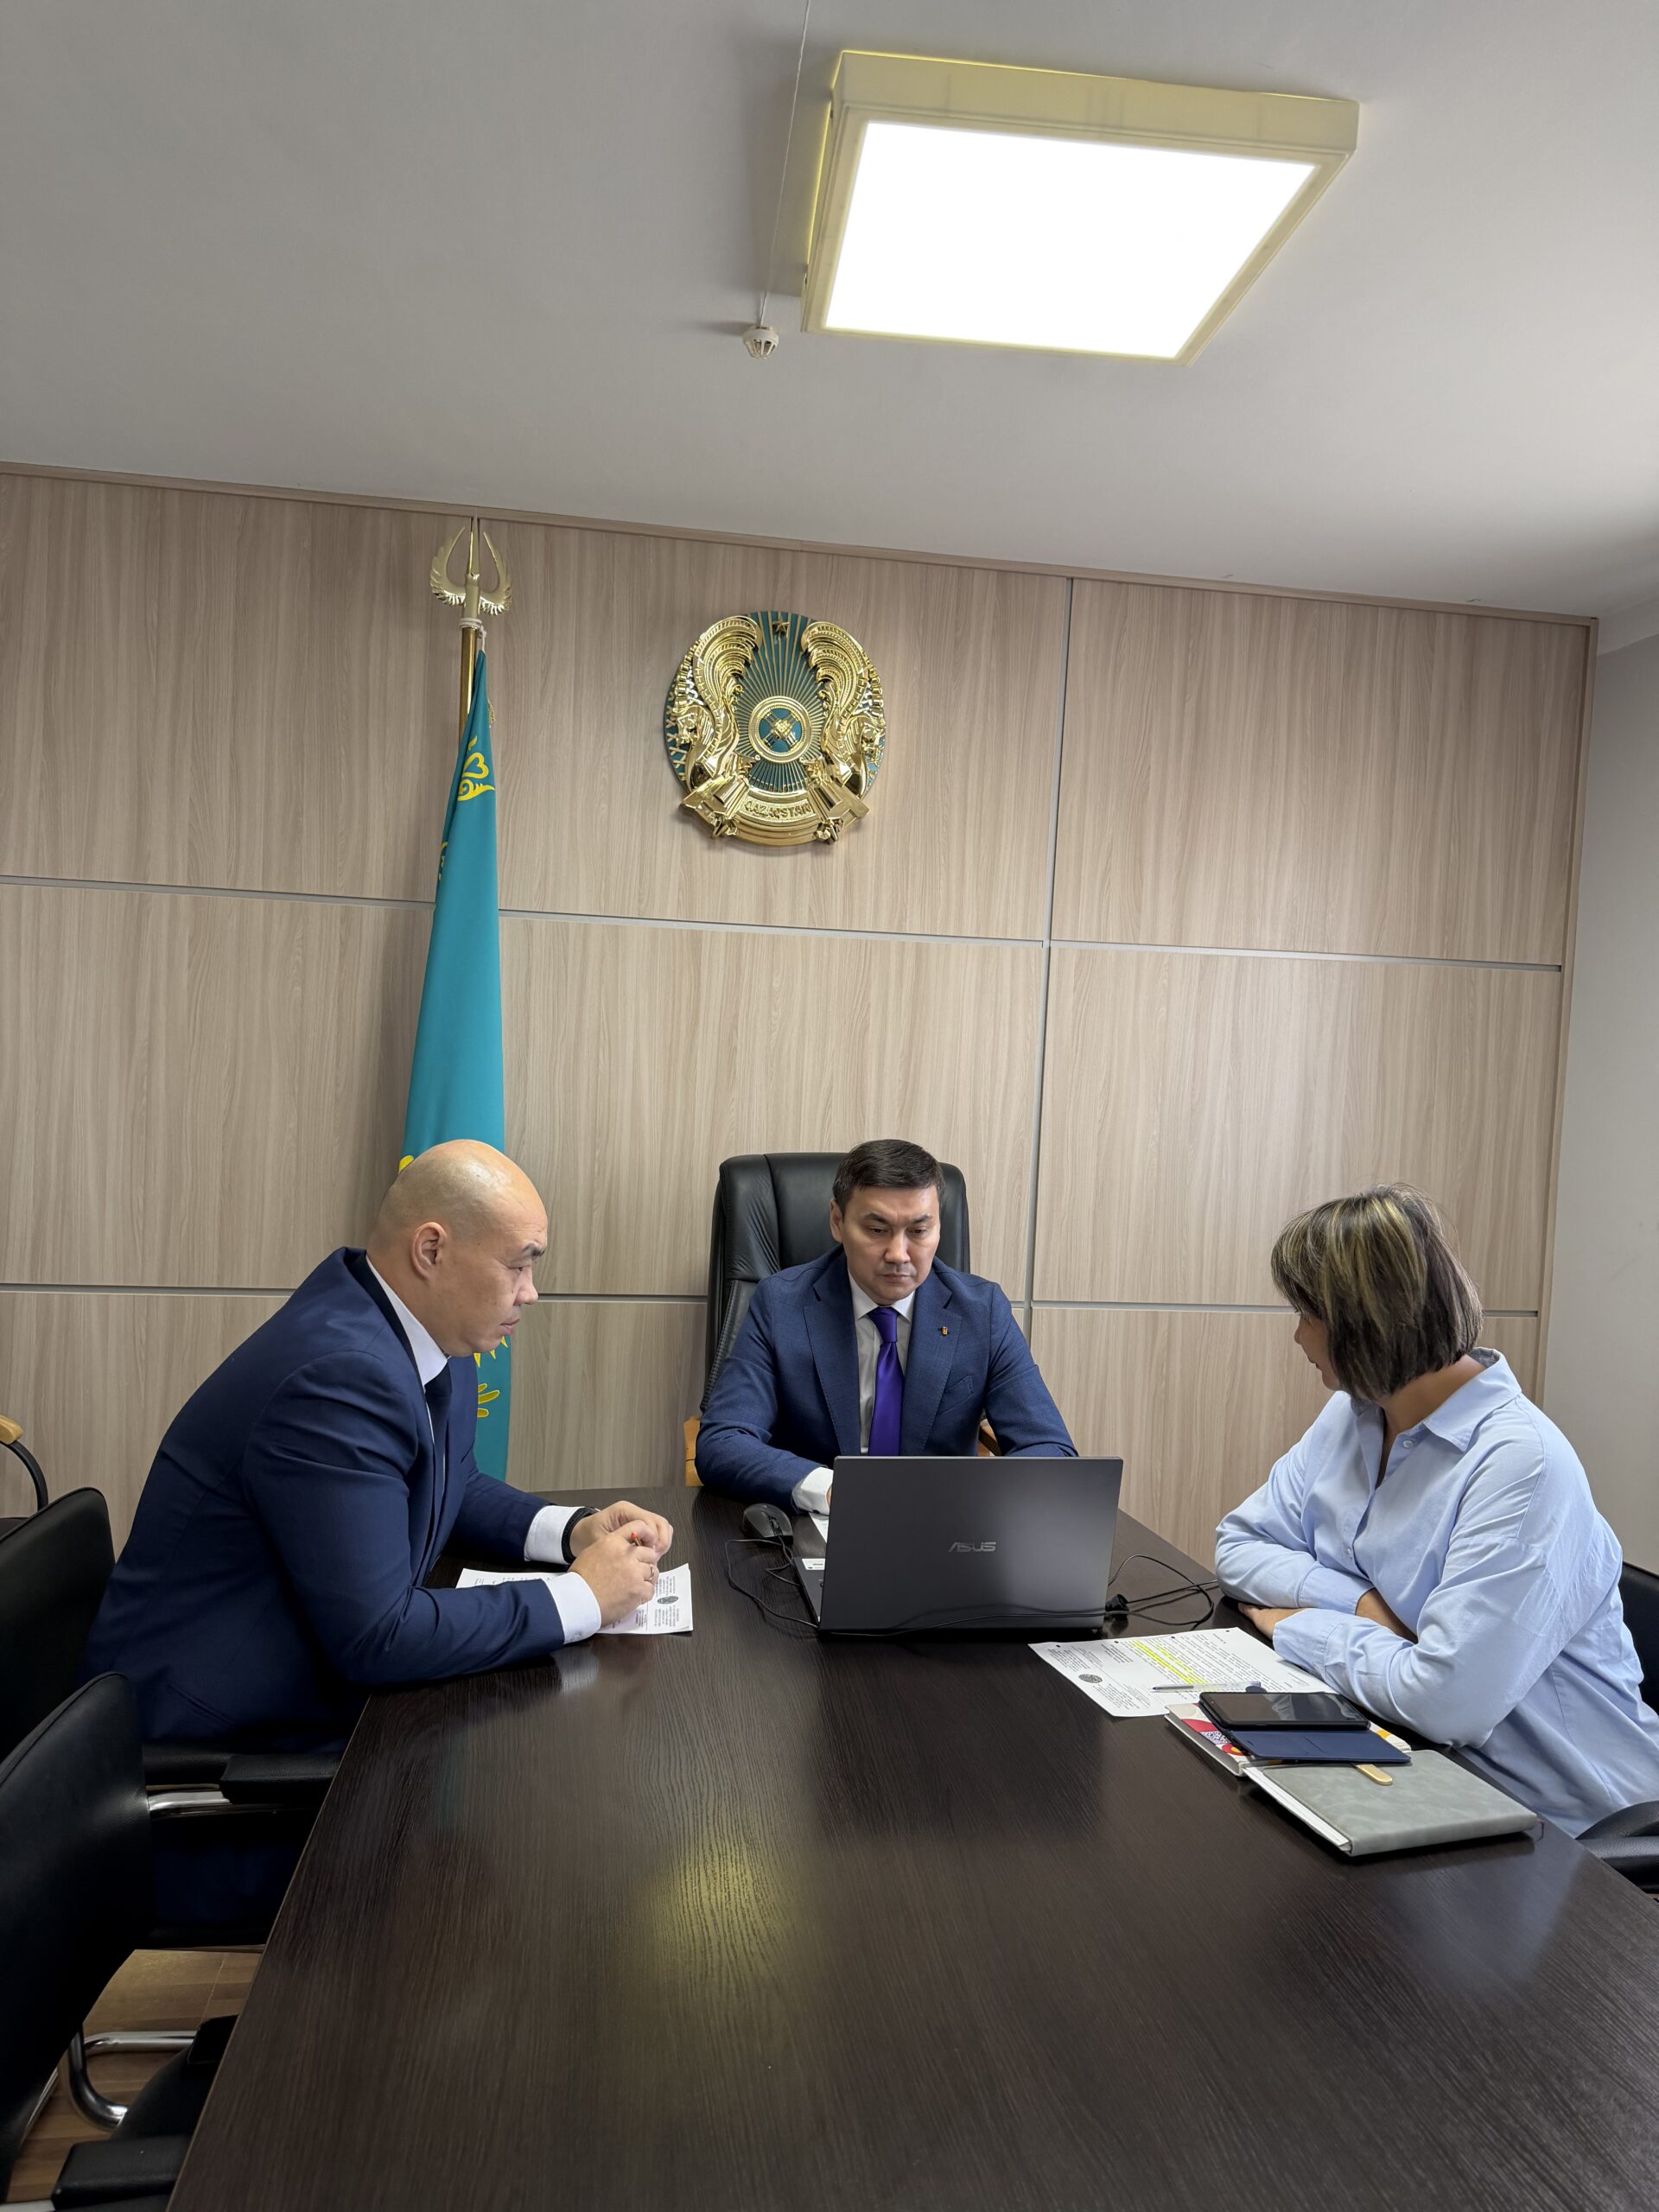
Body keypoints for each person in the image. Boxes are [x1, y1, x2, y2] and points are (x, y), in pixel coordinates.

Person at [84, 1141, 672, 1753]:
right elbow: (379, 1638)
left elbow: (450, 1481)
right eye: (517, 1266)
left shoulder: (424, 1328)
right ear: (431, 1250)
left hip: (306, 1673)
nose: (530, 1293)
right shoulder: (338, 1378)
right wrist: (583, 1596)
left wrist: (572, 1531)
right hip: (209, 1734)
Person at [1216, 1185, 1659, 1834]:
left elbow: (1446, 1701)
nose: (1298, 1335)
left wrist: (1299, 1626)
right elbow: (1238, 1547)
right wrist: (1362, 1606)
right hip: (1421, 1766)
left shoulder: (1522, 1465)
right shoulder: (1353, 1415)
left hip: (1569, 1833)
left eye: (1308, 1313)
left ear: (1363, 1320)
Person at [695, 1136, 1075, 1509]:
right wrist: (833, 1489)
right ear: (837, 1221)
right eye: (877, 1230)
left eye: (919, 1231)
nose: (898, 1254)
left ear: (939, 1228)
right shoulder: (782, 1304)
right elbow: (723, 1440)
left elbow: (1050, 1449)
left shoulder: (981, 1311)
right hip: (816, 1521)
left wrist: (969, 1501)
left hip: (941, 1526)